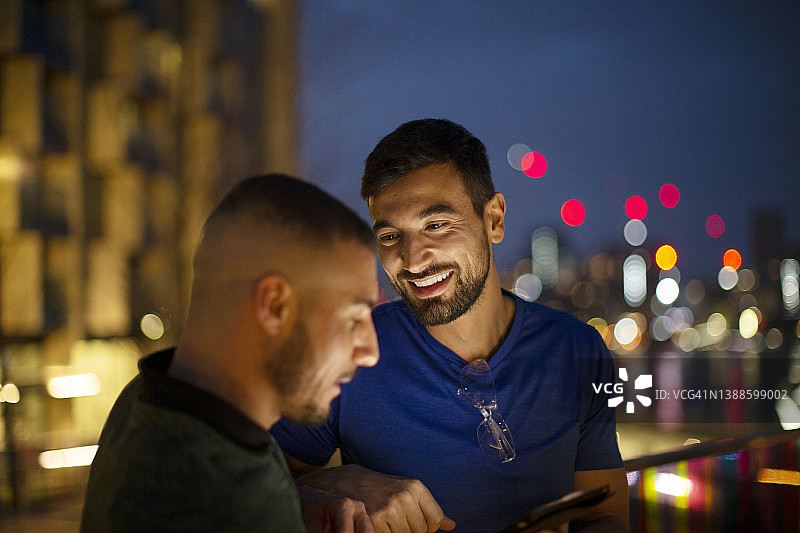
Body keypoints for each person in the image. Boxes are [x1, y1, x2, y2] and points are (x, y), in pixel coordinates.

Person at [271, 120, 630, 533]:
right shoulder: (344, 350)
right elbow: (250, 490)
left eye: (436, 225)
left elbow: (605, 515)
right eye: (389, 236)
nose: (413, 259)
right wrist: (338, 483)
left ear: (493, 219)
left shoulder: (577, 350)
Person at [81, 174, 381, 532]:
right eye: (354, 318)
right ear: (274, 304)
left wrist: (291, 502)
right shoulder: (217, 505)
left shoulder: (150, 399)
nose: (370, 352)